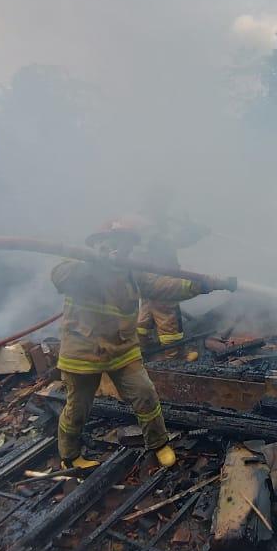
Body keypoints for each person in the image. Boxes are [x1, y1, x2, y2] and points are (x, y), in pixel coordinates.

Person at [52, 219, 235, 469]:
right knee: (78, 408)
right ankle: (69, 457)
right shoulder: (78, 266)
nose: (121, 248)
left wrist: (206, 285)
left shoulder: (132, 271)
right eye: (114, 243)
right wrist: (93, 263)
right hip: (82, 353)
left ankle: (158, 443)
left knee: (146, 395)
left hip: (122, 350)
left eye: (126, 244)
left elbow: (164, 286)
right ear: (97, 244)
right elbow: (59, 277)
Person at [132, 186, 211, 361]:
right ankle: (174, 357)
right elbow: (167, 243)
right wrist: (194, 233)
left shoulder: (144, 218)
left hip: (145, 278)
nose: (167, 205)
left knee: (145, 315)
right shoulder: (148, 221)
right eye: (165, 201)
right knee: (168, 315)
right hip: (158, 277)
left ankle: (141, 348)